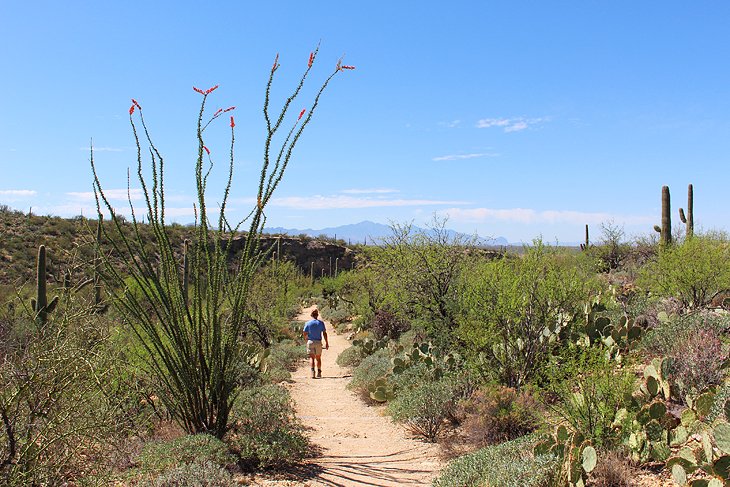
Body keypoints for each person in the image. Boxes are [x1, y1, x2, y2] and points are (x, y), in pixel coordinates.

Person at [303, 309, 329, 378]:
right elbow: (324, 333)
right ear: (317, 315)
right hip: (318, 342)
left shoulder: (308, 323)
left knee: (312, 358)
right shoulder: (321, 323)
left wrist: (306, 339)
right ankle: (319, 372)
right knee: (318, 358)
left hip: (310, 341)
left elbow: (304, 333)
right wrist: (326, 342)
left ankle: (312, 372)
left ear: (311, 315)